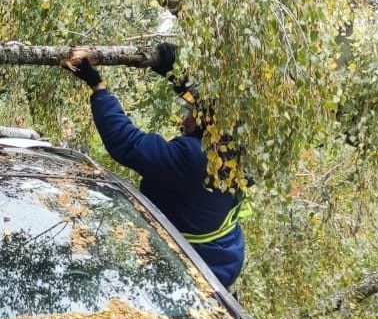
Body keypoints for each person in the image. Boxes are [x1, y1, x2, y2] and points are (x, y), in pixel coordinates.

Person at [61, 44, 246, 288]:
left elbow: (125, 141)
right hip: (221, 257)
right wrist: (172, 72)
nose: (184, 120)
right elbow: (205, 104)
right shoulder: (232, 144)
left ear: (206, 120)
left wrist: (97, 87)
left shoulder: (194, 158)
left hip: (197, 272)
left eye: (189, 114)